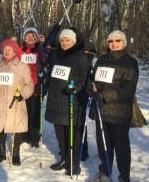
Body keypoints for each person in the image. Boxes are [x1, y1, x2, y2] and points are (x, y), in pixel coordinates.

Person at [87, 31, 139, 182]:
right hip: (100, 110)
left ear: (124, 43)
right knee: (103, 145)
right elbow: (93, 79)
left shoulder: (130, 62)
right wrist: (90, 88)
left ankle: (124, 177)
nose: (114, 43)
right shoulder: (102, 59)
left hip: (119, 113)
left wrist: (103, 95)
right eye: (111, 41)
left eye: (118, 40)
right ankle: (104, 173)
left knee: (121, 148)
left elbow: (127, 90)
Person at [45, 29, 89, 176]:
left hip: (72, 102)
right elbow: (52, 72)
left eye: (68, 40)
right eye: (62, 40)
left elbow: (84, 79)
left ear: (74, 41)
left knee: (73, 135)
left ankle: (74, 162)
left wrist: (76, 88)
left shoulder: (81, 57)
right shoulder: (56, 55)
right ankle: (64, 158)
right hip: (56, 100)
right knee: (60, 134)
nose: (64, 43)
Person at [0, 39, 34, 165]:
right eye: (5, 49)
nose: (7, 52)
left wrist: (22, 95)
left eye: (10, 50)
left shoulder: (22, 66)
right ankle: (1, 153)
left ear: (15, 52)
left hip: (15, 102)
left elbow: (30, 85)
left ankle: (16, 154)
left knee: (16, 128)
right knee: (0, 127)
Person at [17, 27, 44, 148]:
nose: (30, 38)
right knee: (23, 111)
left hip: (35, 86)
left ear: (36, 38)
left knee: (34, 112)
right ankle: (24, 135)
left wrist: (43, 44)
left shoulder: (39, 49)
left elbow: (46, 58)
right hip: (22, 86)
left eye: (33, 36)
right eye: (28, 36)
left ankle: (34, 138)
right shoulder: (20, 50)